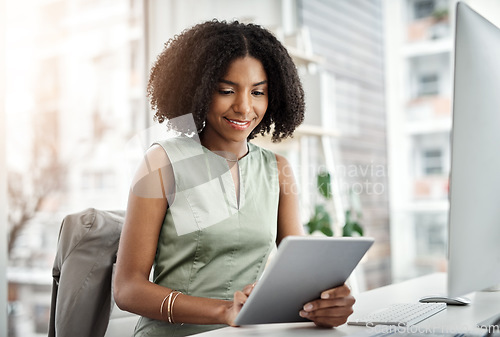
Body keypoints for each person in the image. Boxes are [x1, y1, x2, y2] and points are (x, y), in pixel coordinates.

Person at [113, 19, 355, 337]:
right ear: (197, 90)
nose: (243, 107)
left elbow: (299, 272)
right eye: (226, 90)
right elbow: (128, 289)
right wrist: (224, 310)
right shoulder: (162, 162)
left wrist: (327, 304)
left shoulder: (278, 169)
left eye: (258, 92)